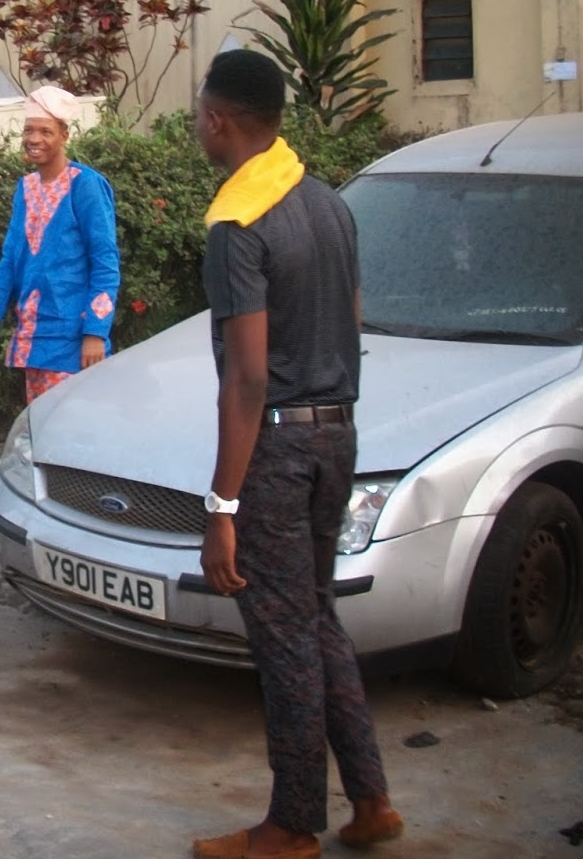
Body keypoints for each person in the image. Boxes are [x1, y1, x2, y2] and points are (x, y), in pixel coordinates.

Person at [191, 50, 402, 859]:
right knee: (316, 617)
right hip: (337, 432)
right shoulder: (327, 203)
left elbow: (246, 380)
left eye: (200, 114)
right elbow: (350, 320)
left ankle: (292, 824)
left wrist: (222, 508)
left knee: (283, 639)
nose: (198, 125)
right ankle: (372, 800)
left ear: (219, 121)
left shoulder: (238, 224)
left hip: (277, 447)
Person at [0, 86, 121, 402]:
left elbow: (105, 264)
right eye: (29, 130)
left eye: (45, 131)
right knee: (40, 426)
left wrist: (95, 332)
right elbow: (10, 260)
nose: (34, 138)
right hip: (35, 342)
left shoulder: (86, 186)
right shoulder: (25, 188)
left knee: (72, 426)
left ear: (65, 135)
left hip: (74, 344)